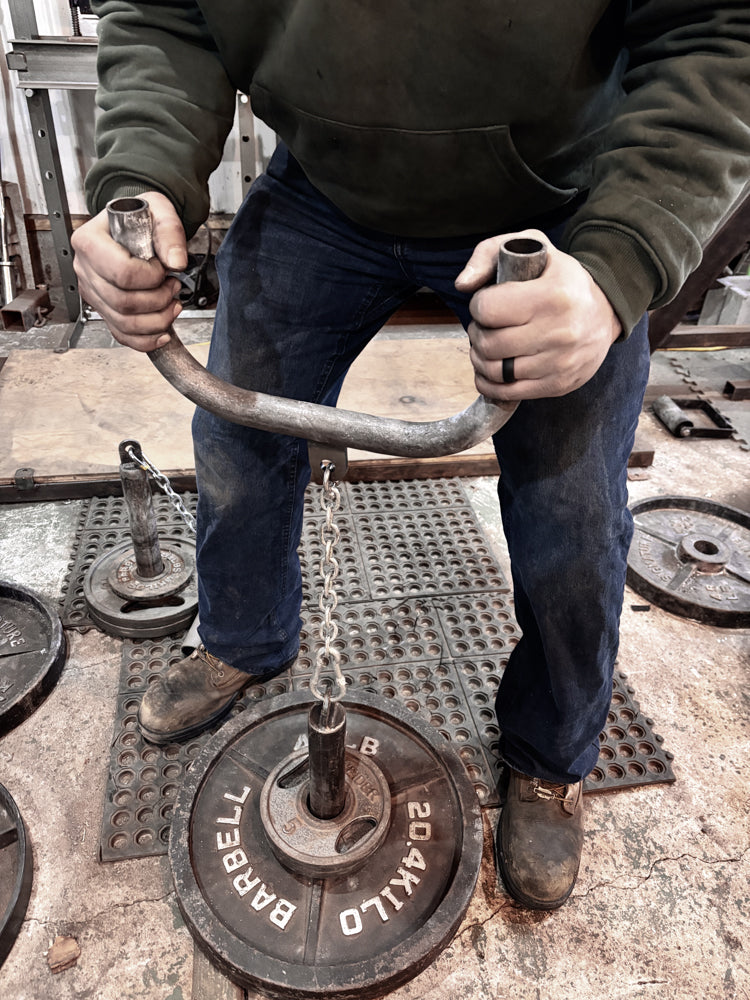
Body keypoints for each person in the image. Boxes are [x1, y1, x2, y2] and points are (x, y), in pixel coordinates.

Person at [72, 1, 750, 911]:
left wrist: (617, 262)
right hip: (324, 192)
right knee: (236, 440)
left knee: (574, 511)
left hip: (557, 211)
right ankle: (244, 639)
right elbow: (168, 15)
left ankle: (551, 755)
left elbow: (717, 31)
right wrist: (145, 174)